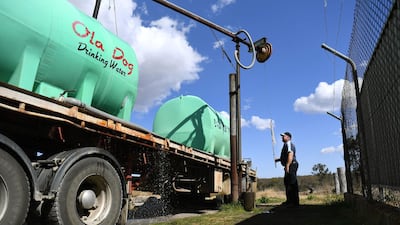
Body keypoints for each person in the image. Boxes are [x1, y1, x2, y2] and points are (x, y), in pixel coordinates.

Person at [275, 131, 299, 207]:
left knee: (292, 183)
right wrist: (279, 159)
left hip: (291, 165)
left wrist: (288, 165)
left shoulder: (289, 143)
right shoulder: (286, 145)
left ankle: (293, 202)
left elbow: (290, 154)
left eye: (284, 136)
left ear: (288, 137)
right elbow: (286, 156)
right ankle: (289, 201)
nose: (282, 137)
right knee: (287, 183)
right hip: (290, 164)